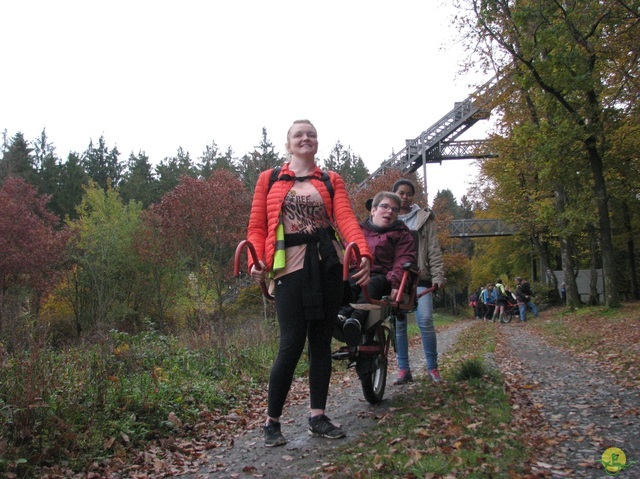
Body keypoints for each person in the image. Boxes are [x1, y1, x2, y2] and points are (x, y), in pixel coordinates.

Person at [247, 119, 372, 447]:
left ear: (317, 143)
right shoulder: (269, 179)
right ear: (288, 144)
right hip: (288, 269)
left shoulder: (331, 180)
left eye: (311, 135)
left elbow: (345, 219)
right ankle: (271, 422)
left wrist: (362, 253)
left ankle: (318, 416)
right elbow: (257, 226)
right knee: (290, 344)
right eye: (298, 135)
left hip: (328, 266)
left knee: (320, 344)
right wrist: (255, 262)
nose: (306, 138)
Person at [340, 191, 416, 349]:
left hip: (383, 276)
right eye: (385, 206)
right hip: (358, 272)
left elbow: (404, 259)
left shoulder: (401, 235)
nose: (390, 211)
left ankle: (355, 320)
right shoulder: (358, 232)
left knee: (371, 283)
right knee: (348, 282)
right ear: (373, 210)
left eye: (394, 210)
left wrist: (397, 283)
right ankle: (341, 315)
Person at [391, 179, 446, 384]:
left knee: (425, 320)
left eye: (408, 193)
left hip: (420, 276)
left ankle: (433, 368)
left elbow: (433, 248)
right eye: (401, 193)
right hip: (397, 279)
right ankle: (404, 369)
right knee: (399, 324)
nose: (404, 197)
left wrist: (438, 275)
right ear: (395, 194)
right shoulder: (389, 217)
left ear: (413, 196)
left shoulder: (424, 219)